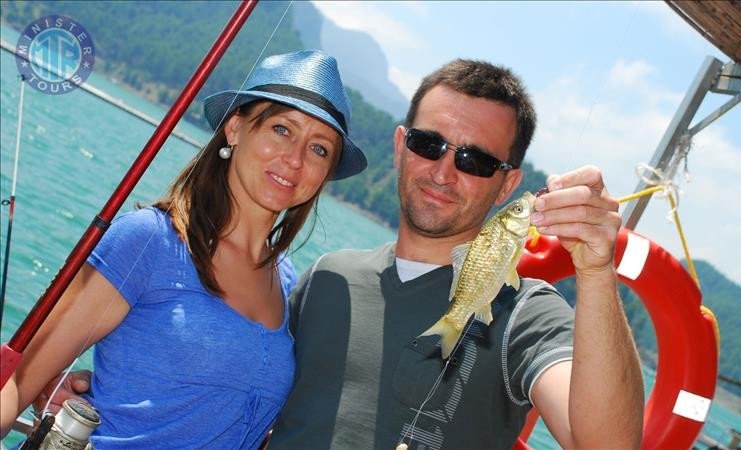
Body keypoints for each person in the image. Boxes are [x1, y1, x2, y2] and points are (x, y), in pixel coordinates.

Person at [26, 58, 644, 450]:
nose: (444, 170)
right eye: (430, 143)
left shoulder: (526, 313)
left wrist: (594, 270)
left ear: (508, 185)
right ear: (401, 147)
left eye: (476, 159)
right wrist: (113, 388)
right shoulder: (319, 280)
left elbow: (609, 443)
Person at [0, 49, 367, 449]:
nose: (295, 159)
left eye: (319, 149)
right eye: (282, 129)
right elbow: (17, 384)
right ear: (235, 129)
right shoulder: (149, 241)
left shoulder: (287, 281)